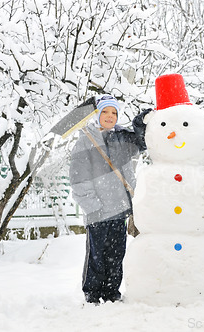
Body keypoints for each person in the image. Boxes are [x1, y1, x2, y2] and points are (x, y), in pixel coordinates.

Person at [69, 95, 148, 304]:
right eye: (105, 112)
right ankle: (93, 293)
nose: (110, 116)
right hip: (98, 208)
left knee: (116, 254)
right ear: (97, 114)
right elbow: (78, 177)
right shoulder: (86, 139)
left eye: (114, 113)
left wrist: (141, 122)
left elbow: (142, 142)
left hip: (119, 207)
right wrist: (92, 205)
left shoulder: (122, 136)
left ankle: (112, 292)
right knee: (96, 255)